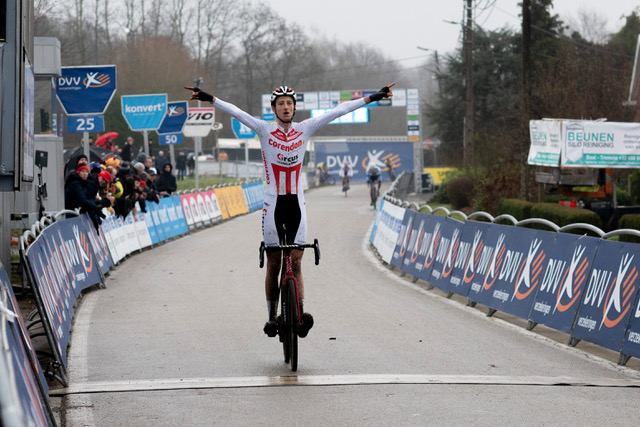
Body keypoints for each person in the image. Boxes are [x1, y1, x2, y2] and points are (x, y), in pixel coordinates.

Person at [185, 82, 395, 338]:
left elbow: (339, 110)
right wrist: (209, 97)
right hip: (272, 204)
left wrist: (375, 96)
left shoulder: (304, 129)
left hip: (296, 203)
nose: (286, 107)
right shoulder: (264, 129)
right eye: (281, 104)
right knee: (273, 264)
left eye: (289, 103)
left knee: (295, 262)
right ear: (274, 108)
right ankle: (271, 316)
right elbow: (236, 112)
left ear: (295, 107)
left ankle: (301, 312)